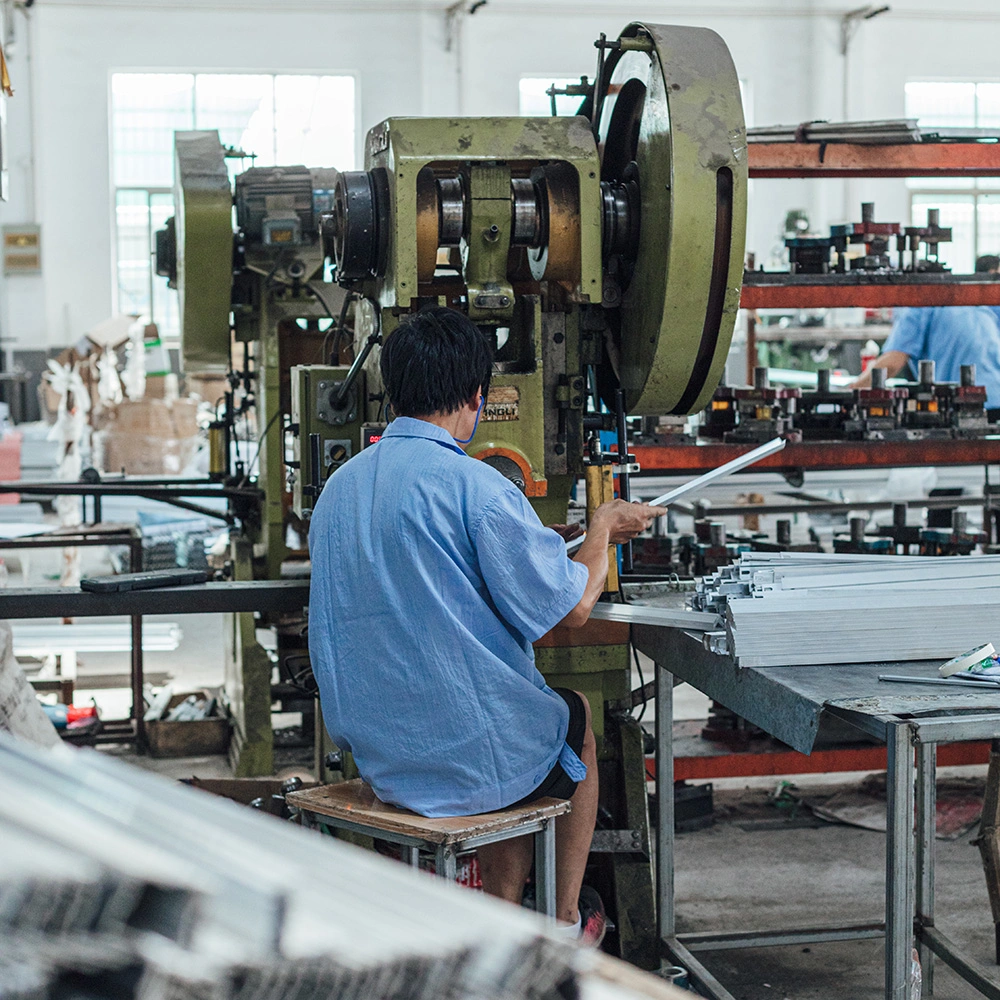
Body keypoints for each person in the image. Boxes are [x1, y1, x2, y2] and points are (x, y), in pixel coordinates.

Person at [308, 306, 663, 945]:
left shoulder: (338, 487)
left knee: (512, 727)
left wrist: (538, 544)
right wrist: (603, 529)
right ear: (477, 397)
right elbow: (571, 609)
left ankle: (497, 918)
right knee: (572, 719)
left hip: (381, 753)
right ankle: (554, 927)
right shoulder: (479, 487)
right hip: (459, 759)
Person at [851, 254, 1000, 414]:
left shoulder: (919, 305)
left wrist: (851, 391)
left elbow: (893, 362)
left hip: (963, 406)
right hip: (995, 399)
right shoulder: (972, 304)